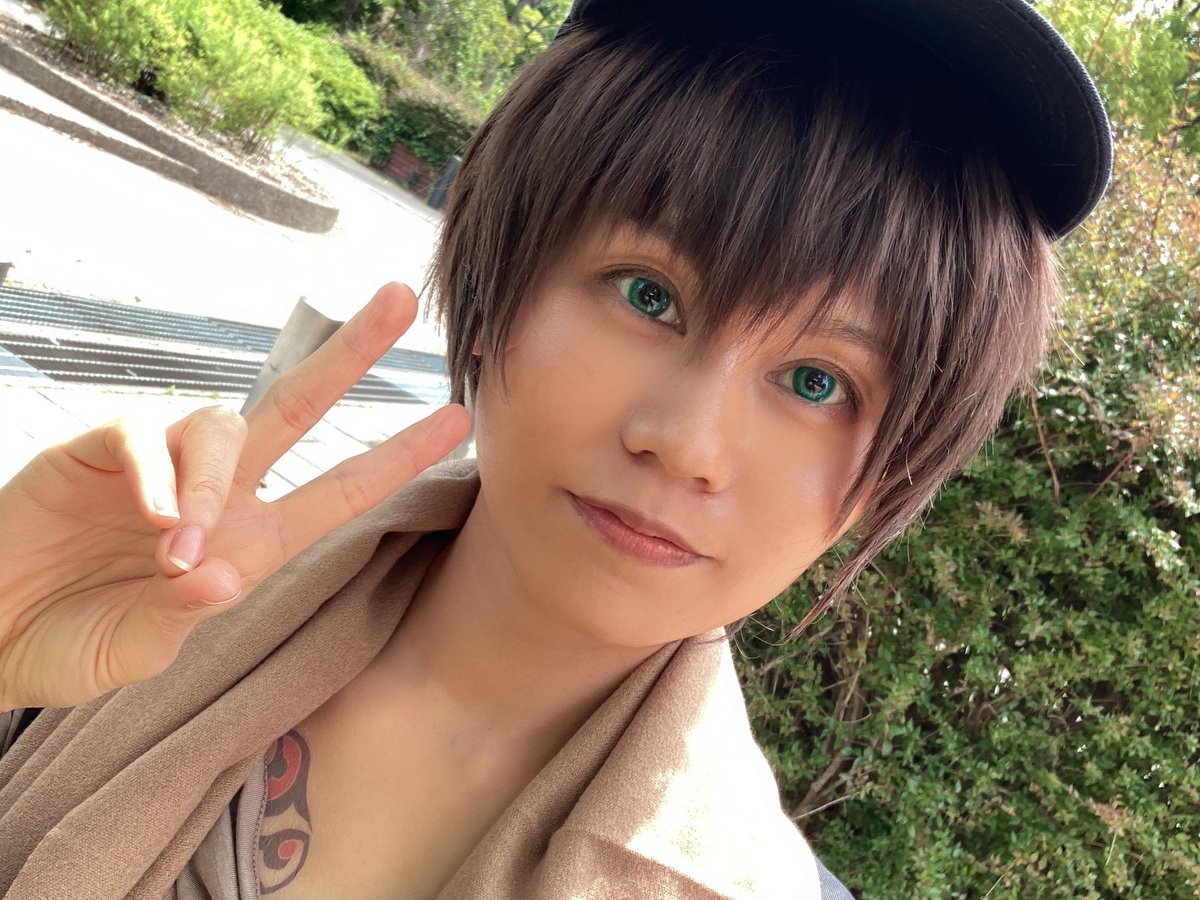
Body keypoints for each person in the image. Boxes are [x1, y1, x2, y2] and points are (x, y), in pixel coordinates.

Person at [0, 1, 1111, 898]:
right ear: (499, 290)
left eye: (818, 383)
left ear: (884, 483)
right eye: (648, 295)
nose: (686, 445)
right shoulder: (141, 622)